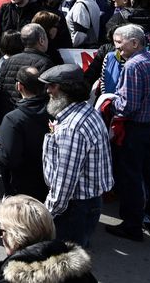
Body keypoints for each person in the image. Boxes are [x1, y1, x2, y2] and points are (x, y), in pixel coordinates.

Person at [106, 24, 150, 241]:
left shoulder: (133, 66)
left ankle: (132, 225)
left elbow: (129, 105)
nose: (117, 49)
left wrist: (110, 104)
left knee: (131, 178)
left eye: (120, 43)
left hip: (135, 129)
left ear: (135, 43)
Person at [40, 64, 113, 248]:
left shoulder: (71, 128)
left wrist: (47, 213)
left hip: (74, 208)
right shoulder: (87, 111)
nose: (48, 90)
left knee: (63, 263)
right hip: (87, 202)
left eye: (52, 86)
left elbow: (65, 180)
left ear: (65, 89)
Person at [0, 195, 96, 283]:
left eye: (0, 231)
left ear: (16, 236)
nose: (1, 237)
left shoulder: (14, 279)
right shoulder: (80, 272)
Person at [0, 66, 51, 201]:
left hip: (21, 187)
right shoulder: (53, 111)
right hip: (48, 182)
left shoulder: (13, 119)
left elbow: (8, 158)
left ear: (19, 86)